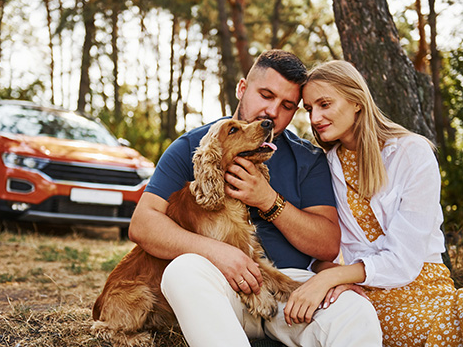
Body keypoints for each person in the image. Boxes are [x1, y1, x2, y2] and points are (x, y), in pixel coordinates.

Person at [129, 50, 382, 346]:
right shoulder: (193, 147)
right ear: (242, 88)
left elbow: (327, 244)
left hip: (290, 288)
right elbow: (142, 224)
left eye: (287, 105)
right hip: (220, 286)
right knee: (181, 272)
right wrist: (217, 254)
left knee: (356, 311)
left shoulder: (308, 159)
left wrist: (269, 201)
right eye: (266, 95)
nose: (272, 112)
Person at [285, 59, 463, 346]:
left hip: (427, 286)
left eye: (324, 104)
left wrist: (331, 277)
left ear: (356, 101)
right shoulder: (324, 167)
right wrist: (331, 276)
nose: (315, 117)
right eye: (309, 109)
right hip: (366, 296)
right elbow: (320, 248)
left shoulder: (411, 153)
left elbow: (403, 260)